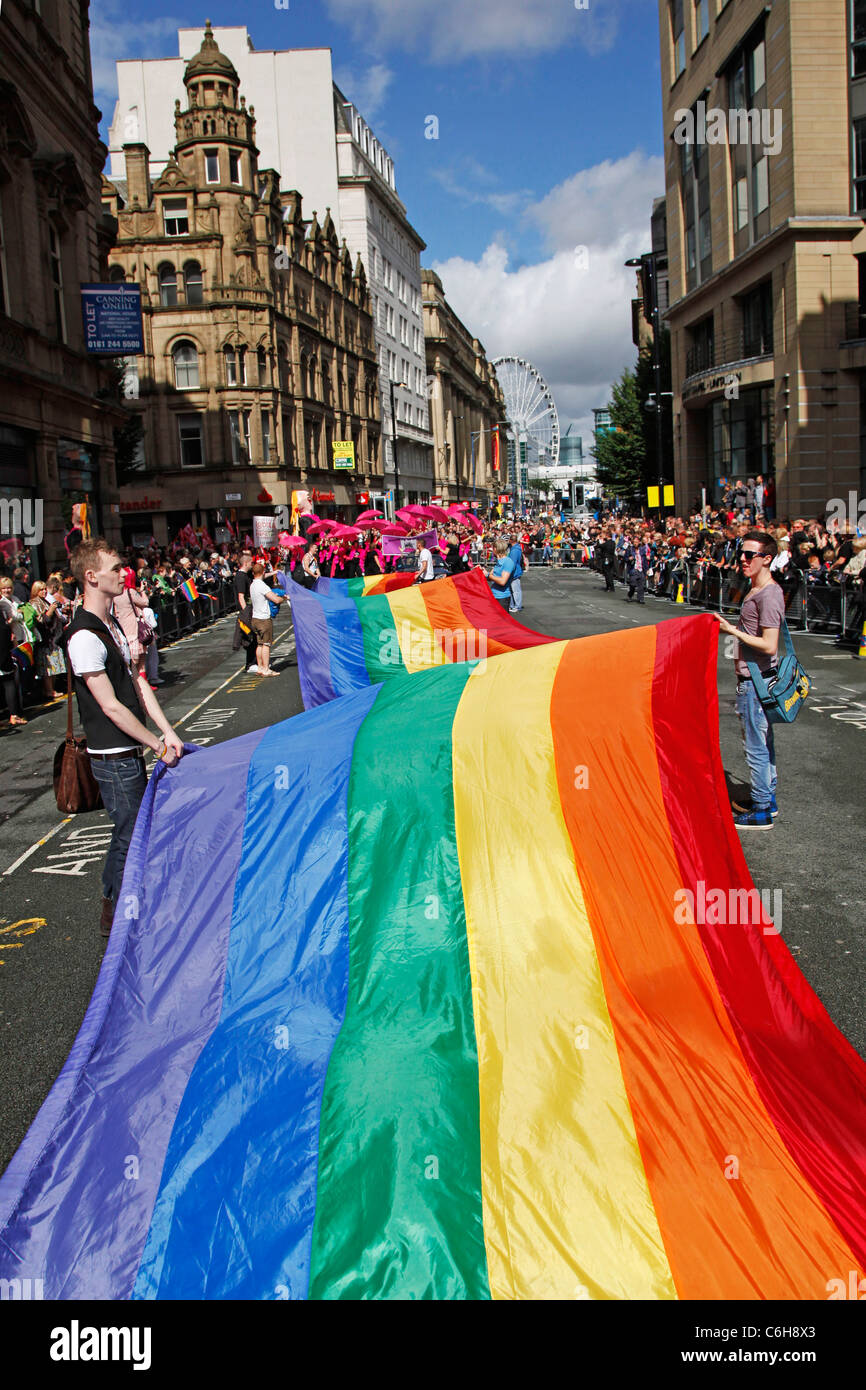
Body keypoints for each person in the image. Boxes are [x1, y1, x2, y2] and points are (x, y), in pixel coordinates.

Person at [64, 538, 183, 937]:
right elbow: (111, 706)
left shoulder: (111, 623)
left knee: (134, 830)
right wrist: (156, 744)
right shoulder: (82, 636)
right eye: (115, 568)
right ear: (91, 576)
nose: (122, 573)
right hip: (111, 756)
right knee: (129, 833)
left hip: (129, 750)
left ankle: (124, 907)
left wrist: (167, 732)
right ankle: (114, 914)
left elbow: (137, 682)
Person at [712, 531, 784, 829]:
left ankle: (763, 809)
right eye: (741, 553)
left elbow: (769, 644)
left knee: (755, 744)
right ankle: (765, 798)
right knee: (762, 741)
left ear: (766, 559)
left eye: (749, 555)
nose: (742, 559)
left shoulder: (769, 593)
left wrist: (731, 631)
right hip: (753, 679)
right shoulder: (757, 590)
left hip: (756, 681)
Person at [248, 562, 287, 676]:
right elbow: (276, 600)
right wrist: (283, 597)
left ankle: (260, 667)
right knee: (266, 644)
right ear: (263, 572)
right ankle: (266, 668)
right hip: (264, 619)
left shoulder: (253, 584)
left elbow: (261, 576)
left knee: (259, 644)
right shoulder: (262, 586)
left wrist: (274, 572)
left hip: (255, 618)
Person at [232, 549, 258, 672]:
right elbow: (241, 596)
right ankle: (250, 664)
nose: (252, 565)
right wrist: (246, 613)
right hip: (246, 610)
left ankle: (254, 662)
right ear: (246, 563)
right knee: (249, 636)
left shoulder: (245, 576)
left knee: (253, 636)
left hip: (249, 609)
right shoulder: (241, 577)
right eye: (251, 563)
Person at [486, 537, 515, 608]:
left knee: (502, 619)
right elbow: (490, 577)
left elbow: (502, 581)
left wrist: (488, 575)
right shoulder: (499, 562)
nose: (492, 550)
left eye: (492, 548)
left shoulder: (508, 562)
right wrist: (483, 572)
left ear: (495, 549)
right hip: (494, 595)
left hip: (502, 598)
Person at [507, 532, 526, 613]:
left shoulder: (515, 550)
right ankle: (512, 605)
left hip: (515, 572)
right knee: (512, 590)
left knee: (516, 590)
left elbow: (513, 563)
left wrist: (508, 571)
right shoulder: (515, 548)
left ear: (511, 540)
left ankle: (517, 606)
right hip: (514, 572)